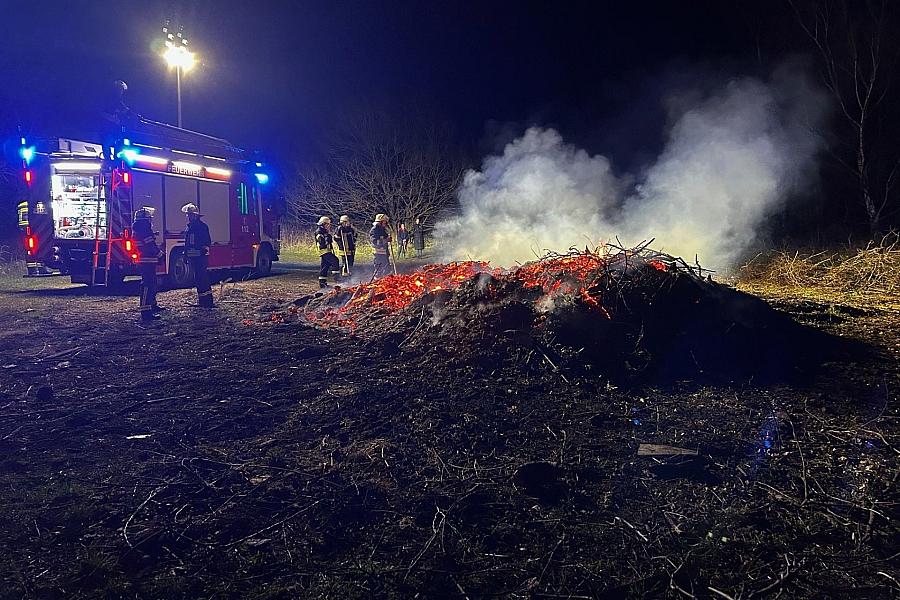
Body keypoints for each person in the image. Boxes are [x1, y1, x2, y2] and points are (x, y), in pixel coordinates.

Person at [132, 207, 165, 322]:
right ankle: (146, 312)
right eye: (149, 219)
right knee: (147, 285)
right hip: (147, 261)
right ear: (145, 220)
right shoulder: (144, 230)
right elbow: (151, 246)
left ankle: (152, 305)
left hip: (145, 261)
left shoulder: (139, 229)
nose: (150, 221)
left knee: (152, 283)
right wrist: (160, 255)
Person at [182, 203, 215, 308]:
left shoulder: (202, 227)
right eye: (188, 215)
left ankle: (208, 301)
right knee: (198, 279)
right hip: (194, 258)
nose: (189, 217)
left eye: (190, 215)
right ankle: (202, 301)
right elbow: (187, 243)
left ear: (196, 215)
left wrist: (202, 251)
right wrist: (185, 255)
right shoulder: (189, 227)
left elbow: (207, 242)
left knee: (202, 278)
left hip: (201, 258)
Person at [315, 216, 341, 288]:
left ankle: (322, 283)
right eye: (328, 224)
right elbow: (322, 242)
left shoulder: (324, 231)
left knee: (325, 266)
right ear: (323, 224)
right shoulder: (319, 232)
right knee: (335, 261)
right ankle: (337, 279)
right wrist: (328, 238)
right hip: (324, 251)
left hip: (327, 251)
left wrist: (328, 236)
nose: (329, 226)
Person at [370, 213, 392, 279]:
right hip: (378, 253)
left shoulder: (382, 229)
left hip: (384, 252)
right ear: (380, 222)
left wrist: (388, 239)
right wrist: (386, 240)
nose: (386, 223)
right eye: (384, 221)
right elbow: (375, 242)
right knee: (378, 270)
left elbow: (385, 238)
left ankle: (387, 281)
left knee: (387, 268)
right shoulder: (374, 230)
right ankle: (377, 281)